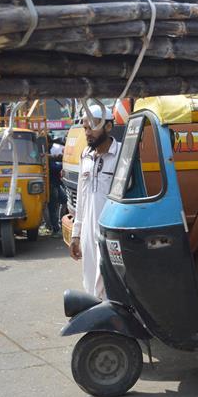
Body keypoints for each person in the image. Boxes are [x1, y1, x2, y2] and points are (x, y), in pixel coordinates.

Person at [69, 105, 121, 300]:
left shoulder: (122, 154)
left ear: (108, 126)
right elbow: (81, 198)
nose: (87, 133)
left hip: (111, 233)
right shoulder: (85, 155)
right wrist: (76, 234)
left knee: (109, 284)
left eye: (92, 127)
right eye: (85, 128)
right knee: (91, 283)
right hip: (88, 233)